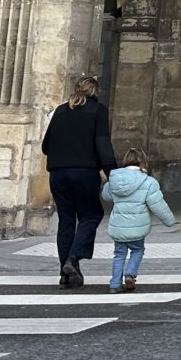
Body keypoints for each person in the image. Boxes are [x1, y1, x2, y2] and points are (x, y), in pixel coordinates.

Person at [41, 74, 117, 287]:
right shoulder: (97, 110)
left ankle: (65, 274)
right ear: (95, 91)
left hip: (57, 173)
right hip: (84, 172)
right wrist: (113, 173)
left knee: (66, 219)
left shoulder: (60, 111)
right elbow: (103, 143)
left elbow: (46, 146)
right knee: (91, 215)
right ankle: (74, 258)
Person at [100, 147, 176, 292]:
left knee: (119, 254)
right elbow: (158, 205)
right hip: (138, 227)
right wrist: (169, 221)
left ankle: (115, 284)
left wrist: (106, 184)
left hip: (119, 226)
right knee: (138, 250)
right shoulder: (149, 182)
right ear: (143, 162)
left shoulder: (114, 179)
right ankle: (130, 274)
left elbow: (106, 196)